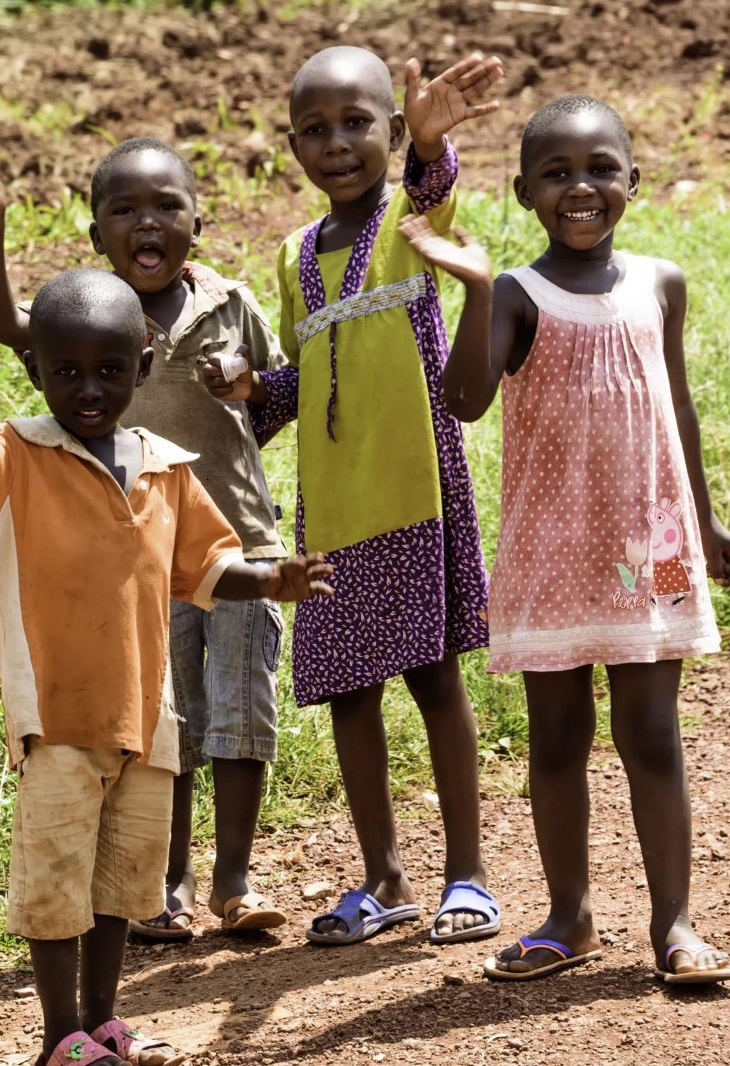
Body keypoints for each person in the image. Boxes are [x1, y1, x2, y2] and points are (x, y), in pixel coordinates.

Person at [0, 268, 333, 1066]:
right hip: (58, 722)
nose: (88, 388)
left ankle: (103, 1020)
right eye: (66, 371)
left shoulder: (164, 466)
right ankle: (58, 1035)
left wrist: (273, 577)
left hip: (148, 722)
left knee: (120, 889)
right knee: (55, 888)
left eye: (110, 370)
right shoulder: (14, 455)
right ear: (36, 370)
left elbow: (209, 568)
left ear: (142, 368)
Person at [399, 94, 730, 984]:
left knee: (653, 734)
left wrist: (704, 517)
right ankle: (569, 917)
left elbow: (680, 407)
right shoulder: (517, 292)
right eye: (556, 173)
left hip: (652, 543)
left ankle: (675, 925)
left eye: (599, 169)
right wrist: (474, 290)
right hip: (549, 548)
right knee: (556, 741)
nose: (580, 188)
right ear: (523, 192)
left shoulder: (660, 282)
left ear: (635, 180)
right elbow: (464, 399)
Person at [0, 137, 294, 942]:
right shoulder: (87, 316)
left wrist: (248, 380)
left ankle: (234, 882)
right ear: (95, 232)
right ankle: (166, 883)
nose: (147, 221)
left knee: (241, 720)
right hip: (140, 564)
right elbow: (3, 322)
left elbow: (277, 395)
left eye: (167, 206)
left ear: (197, 223)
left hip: (240, 541)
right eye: (124, 209)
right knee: (166, 725)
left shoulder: (230, 303)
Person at [203, 47, 506, 946]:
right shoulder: (296, 253)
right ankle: (384, 878)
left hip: (415, 489)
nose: (336, 144)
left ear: (389, 128)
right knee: (349, 695)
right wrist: (255, 385)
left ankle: (469, 876)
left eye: (358, 123)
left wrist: (428, 144)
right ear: (290, 143)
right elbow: (307, 376)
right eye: (314, 129)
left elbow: (430, 186)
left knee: (434, 678)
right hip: (333, 511)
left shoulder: (414, 224)